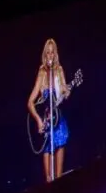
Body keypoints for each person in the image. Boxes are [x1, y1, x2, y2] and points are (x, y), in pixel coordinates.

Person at [27, 38, 76, 183]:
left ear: (55, 54)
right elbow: (30, 102)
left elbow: (63, 93)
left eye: (52, 52)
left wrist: (67, 92)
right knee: (48, 179)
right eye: (47, 53)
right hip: (46, 124)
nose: (50, 55)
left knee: (59, 178)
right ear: (45, 55)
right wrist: (38, 120)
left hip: (58, 121)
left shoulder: (59, 70)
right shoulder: (42, 73)